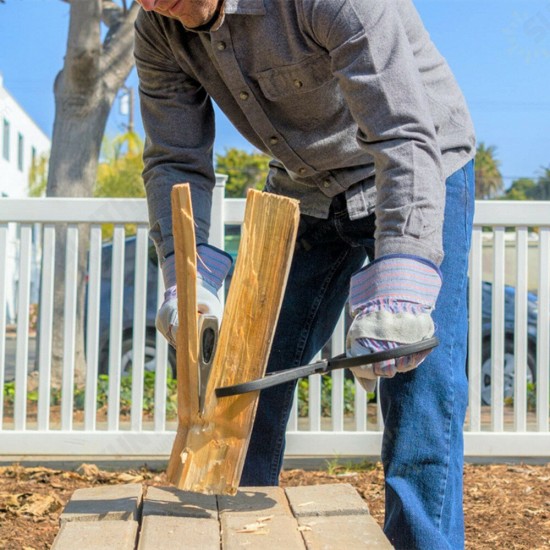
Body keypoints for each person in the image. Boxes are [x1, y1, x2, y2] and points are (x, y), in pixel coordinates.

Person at [134, 1, 476, 548]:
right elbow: (174, 159)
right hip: (305, 184)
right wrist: (187, 278)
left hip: (417, 165)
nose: (151, 2)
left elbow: (401, 134)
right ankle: (234, 533)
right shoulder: (159, 29)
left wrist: (403, 277)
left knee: (420, 386)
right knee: (246, 368)